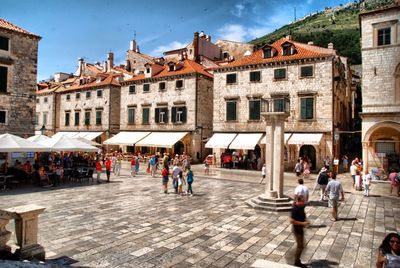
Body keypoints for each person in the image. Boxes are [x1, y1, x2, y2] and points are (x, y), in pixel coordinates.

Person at [290, 195, 310, 268]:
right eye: (303, 201)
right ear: (298, 201)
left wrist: (306, 220)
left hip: (300, 228)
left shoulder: (301, 206)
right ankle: (297, 261)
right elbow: (292, 221)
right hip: (297, 229)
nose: (304, 203)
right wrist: (303, 223)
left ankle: (297, 260)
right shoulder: (295, 209)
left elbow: (303, 214)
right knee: (300, 246)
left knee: (301, 245)